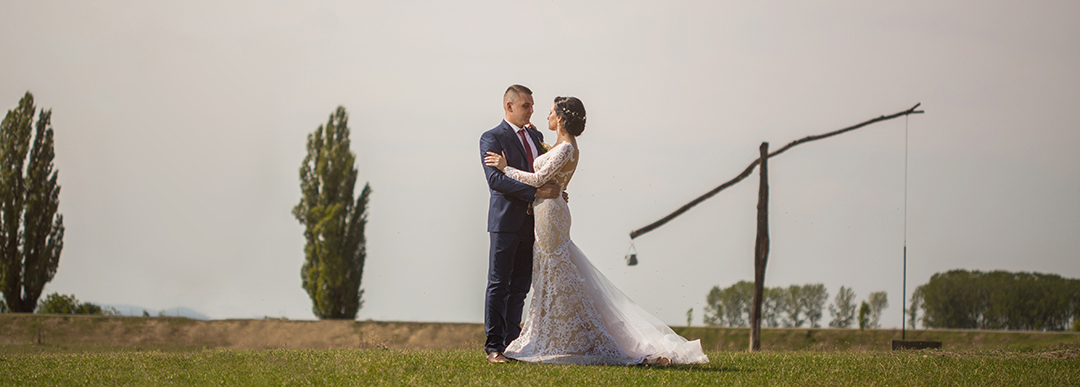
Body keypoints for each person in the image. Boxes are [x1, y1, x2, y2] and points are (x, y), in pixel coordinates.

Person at [485, 96, 709, 365]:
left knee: (556, 271)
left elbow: (538, 179)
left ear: (561, 119)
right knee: (550, 272)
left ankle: (586, 333)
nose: (541, 114)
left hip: (550, 215)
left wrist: (505, 167)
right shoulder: (543, 141)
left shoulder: (565, 147)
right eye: (528, 106)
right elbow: (543, 178)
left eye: (549, 111)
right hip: (540, 213)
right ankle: (552, 335)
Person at [479, 85, 563, 364]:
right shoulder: (491, 138)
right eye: (526, 105)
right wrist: (536, 193)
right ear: (509, 107)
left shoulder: (536, 136)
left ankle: (512, 345)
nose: (531, 110)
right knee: (498, 283)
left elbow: (539, 173)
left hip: (534, 222)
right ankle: (494, 347)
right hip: (505, 222)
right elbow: (496, 180)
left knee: (520, 287)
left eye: (532, 105)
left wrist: (554, 190)